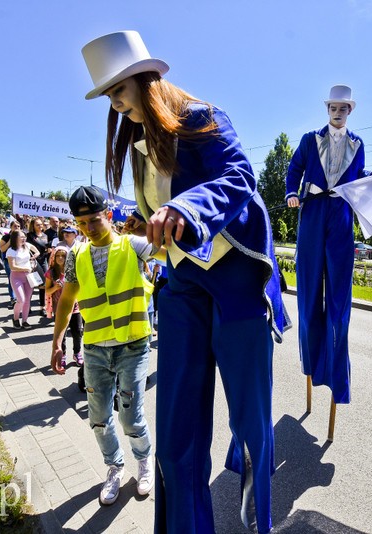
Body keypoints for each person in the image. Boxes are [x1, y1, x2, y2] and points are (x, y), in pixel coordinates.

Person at [81, 30, 288, 533]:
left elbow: (239, 177)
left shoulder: (201, 116)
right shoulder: (137, 147)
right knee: (176, 439)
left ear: (144, 79)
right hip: (182, 288)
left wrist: (184, 208)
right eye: (109, 96)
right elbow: (159, 207)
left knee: (251, 426)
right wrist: (141, 219)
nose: (116, 104)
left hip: (236, 278)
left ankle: (256, 524)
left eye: (118, 91)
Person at [50, 186, 158, 506]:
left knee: (130, 416)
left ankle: (144, 461)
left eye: (94, 220)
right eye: (81, 224)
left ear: (108, 216)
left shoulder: (133, 244)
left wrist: (149, 228)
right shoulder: (76, 255)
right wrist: (57, 342)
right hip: (95, 348)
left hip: (132, 345)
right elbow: (67, 299)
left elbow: (171, 251)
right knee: (98, 417)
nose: (88, 229)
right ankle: (114, 467)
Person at [285, 85, 372, 405]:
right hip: (314, 210)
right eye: (334, 107)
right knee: (310, 289)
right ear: (327, 109)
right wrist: (291, 191)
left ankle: (336, 370)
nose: (338, 112)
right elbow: (294, 168)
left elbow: (356, 177)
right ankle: (312, 363)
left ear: (350, 111)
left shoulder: (358, 144)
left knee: (340, 296)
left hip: (341, 213)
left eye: (343, 108)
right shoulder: (308, 139)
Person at [45, 247, 83, 367]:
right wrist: (55, 287)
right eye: (58, 256)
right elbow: (47, 291)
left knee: (78, 331)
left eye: (63, 256)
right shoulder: (50, 273)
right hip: (60, 308)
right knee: (62, 332)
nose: (60, 258)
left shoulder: (73, 270)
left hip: (75, 306)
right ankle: (63, 354)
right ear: (54, 258)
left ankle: (77, 353)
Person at [5, 230, 39, 329]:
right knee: (21, 299)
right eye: (21, 237)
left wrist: (34, 256)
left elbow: (37, 251)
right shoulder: (11, 250)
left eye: (24, 237)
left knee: (28, 300)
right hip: (16, 277)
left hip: (28, 276)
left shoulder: (27, 246)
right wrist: (26, 268)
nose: (24, 239)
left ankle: (24, 321)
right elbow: (12, 267)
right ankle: (15, 319)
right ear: (15, 238)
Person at [27, 218, 50, 315]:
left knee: (43, 285)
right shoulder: (29, 236)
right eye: (37, 224)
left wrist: (49, 250)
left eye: (41, 224)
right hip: (33, 262)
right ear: (33, 226)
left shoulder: (45, 235)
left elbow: (47, 247)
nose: (40, 226)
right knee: (31, 284)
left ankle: (42, 307)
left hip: (43, 261)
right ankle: (27, 306)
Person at [0, 220, 23, 309]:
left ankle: (21, 299)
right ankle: (13, 298)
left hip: (21, 261)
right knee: (12, 279)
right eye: (15, 226)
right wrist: (10, 240)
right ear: (11, 227)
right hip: (9, 261)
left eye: (18, 226)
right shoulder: (6, 237)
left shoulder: (22, 236)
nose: (17, 228)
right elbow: (2, 249)